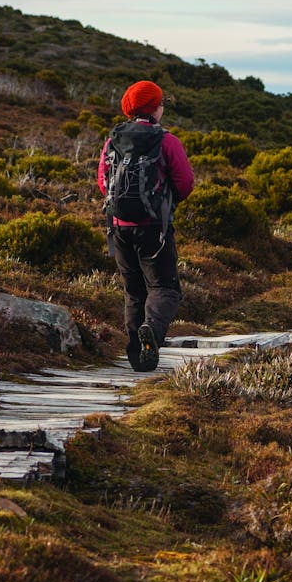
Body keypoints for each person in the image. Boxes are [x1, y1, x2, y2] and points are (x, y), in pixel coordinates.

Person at [97, 80, 193, 371]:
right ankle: (151, 329)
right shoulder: (166, 141)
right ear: (155, 108)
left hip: (119, 225)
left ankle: (138, 358)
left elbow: (103, 181)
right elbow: (185, 183)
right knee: (165, 288)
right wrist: (165, 201)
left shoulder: (113, 139)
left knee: (134, 291)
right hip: (154, 226)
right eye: (161, 103)